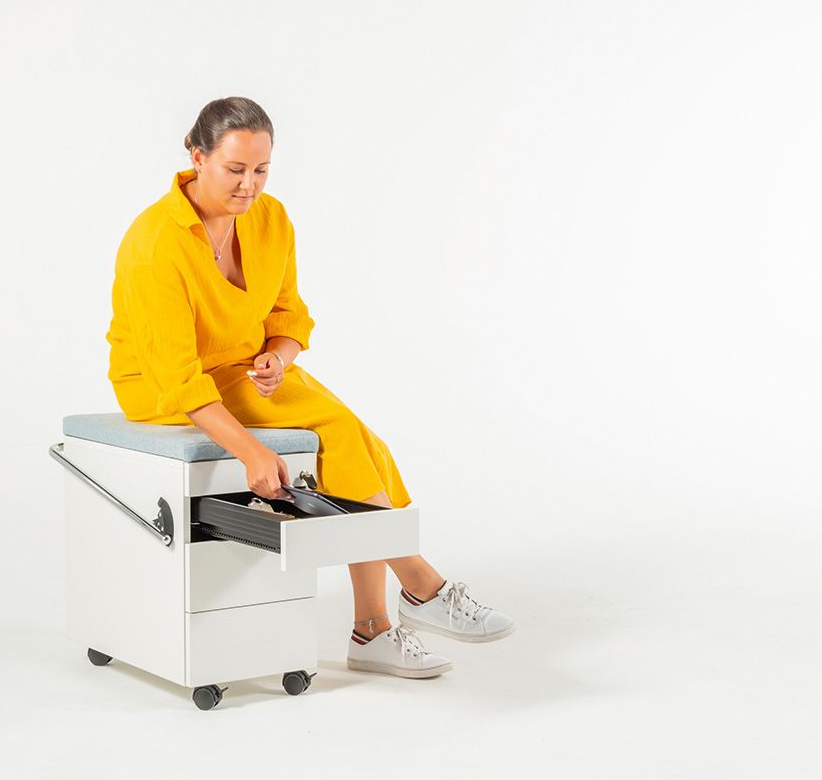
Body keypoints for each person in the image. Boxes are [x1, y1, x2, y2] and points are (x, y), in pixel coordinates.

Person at [105, 96, 515, 678]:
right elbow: (177, 376)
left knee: (359, 440)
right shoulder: (155, 246)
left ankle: (377, 626)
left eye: (261, 169)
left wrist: (278, 355)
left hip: (244, 370)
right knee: (337, 432)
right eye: (235, 169)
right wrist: (251, 451)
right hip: (163, 382)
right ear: (197, 157)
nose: (250, 185)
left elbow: (288, 314)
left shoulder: (271, 219)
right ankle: (418, 587)